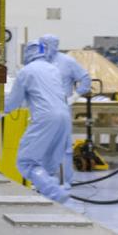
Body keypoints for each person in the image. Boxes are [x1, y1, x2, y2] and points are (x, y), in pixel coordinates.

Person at [5, 40, 72, 203]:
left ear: (27, 53)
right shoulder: (53, 69)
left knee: (26, 161)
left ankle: (54, 192)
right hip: (64, 116)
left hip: (45, 117)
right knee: (48, 165)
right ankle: (49, 200)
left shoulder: (26, 72)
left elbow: (13, 102)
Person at [40, 34, 91, 187]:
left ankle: (66, 180)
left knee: (63, 144)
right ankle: (45, 177)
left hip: (62, 106)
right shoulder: (39, 61)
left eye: (47, 45)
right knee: (42, 142)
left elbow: (85, 78)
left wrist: (74, 96)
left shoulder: (67, 61)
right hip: (42, 108)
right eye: (43, 45)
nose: (45, 48)